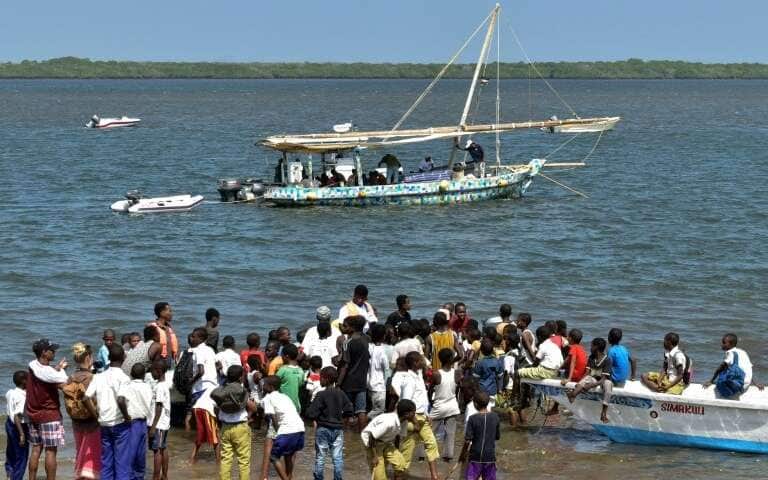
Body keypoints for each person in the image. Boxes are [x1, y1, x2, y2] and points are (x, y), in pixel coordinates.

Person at [84, 344, 132, 480]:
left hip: (104, 423)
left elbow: (85, 398)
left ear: (109, 358)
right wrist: (127, 417)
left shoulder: (99, 376)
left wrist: (96, 416)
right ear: (123, 358)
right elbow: (121, 400)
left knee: (106, 461)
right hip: (119, 423)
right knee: (122, 462)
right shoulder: (124, 378)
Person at [390, 351, 440, 480]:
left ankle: (434, 476)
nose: (423, 361)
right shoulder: (409, 380)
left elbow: (422, 398)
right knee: (407, 450)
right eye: (420, 360)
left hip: (421, 416)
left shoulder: (418, 376)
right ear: (415, 363)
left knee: (431, 444)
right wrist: (414, 421)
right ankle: (398, 476)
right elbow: (406, 403)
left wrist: (427, 414)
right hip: (412, 418)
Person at [26, 338, 68, 480]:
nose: (54, 352)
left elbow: (47, 374)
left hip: (33, 414)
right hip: (49, 415)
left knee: (36, 449)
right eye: (51, 350)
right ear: (44, 352)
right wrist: (62, 370)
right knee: (50, 452)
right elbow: (63, 383)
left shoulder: (33, 366)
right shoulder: (48, 373)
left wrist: (57, 368)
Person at [305, 366, 353, 480]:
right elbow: (349, 410)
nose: (320, 381)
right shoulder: (341, 393)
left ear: (326, 379)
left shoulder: (321, 394)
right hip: (338, 429)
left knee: (321, 456)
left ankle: (319, 478)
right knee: (337, 458)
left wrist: (315, 416)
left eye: (321, 378)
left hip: (323, 429)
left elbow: (310, 413)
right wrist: (341, 420)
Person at [211, 365, 253, 480]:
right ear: (240, 377)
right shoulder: (241, 390)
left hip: (225, 427)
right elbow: (252, 407)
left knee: (226, 459)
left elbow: (215, 408)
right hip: (240, 427)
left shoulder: (221, 390)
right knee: (243, 460)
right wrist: (250, 415)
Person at [65, 343, 100, 480]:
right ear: (88, 358)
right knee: (92, 454)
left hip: (76, 421)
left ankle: (79, 475)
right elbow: (93, 400)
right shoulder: (91, 378)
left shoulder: (71, 377)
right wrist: (97, 418)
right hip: (92, 422)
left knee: (80, 451)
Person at [262, 375, 305, 480]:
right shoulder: (285, 396)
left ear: (271, 387)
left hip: (286, 430)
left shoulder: (268, 398)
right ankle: (289, 477)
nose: (263, 386)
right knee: (289, 455)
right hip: (300, 429)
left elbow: (272, 417)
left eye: (265, 384)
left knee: (273, 457)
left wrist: (278, 433)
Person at [361, 399, 416, 480]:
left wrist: (396, 452)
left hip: (386, 442)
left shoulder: (404, 422)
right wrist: (375, 456)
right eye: (413, 412)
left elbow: (397, 436)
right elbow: (372, 436)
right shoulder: (389, 422)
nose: (415, 415)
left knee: (401, 464)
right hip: (372, 444)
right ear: (406, 414)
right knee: (379, 477)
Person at [117, 363, 153, 480]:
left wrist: (126, 416)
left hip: (132, 423)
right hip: (144, 423)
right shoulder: (148, 387)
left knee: (129, 454)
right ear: (144, 375)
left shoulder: (129, 386)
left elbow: (120, 400)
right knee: (140, 455)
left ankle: (129, 477)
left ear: (131, 374)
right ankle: (139, 477)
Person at [567, 337, 613, 423]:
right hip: (594, 379)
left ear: (596, 347)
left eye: (591, 346)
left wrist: (590, 385)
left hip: (604, 380)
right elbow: (587, 373)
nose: (590, 348)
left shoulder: (607, 360)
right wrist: (580, 383)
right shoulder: (591, 358)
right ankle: (573, 394)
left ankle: (603, 413)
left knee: (608, 386)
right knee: (587, 378)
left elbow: (603, 379)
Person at [337, 315, 371, 431]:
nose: (343, 327)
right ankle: (362, 435)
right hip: (362, 381)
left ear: (352, 328)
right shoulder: (366, 340)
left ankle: (343, 434)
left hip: (348, 381)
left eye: (345, 326)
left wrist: (338, 383)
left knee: (345, 411)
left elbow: (345, 365)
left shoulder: (347, 343)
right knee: (361, 411)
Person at [703, 333, 764, 397]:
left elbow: (720, 368)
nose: (722, 345)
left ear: (731, 344)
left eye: (724, 343)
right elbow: (747, 369)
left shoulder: (730, 353)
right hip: (746, 385)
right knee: (731, 368)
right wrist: (756, 384)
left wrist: (711, 381)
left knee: (723, 372)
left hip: (736, 386)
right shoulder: (743, 352)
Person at [459, 391, 501, 480]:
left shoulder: (472, 419)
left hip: (475, 457)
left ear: (475, 404)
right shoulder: (495, 417)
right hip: (490, 456)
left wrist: (463, 454)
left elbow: (467, 440)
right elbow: (497, 437)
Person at [430, 349, 461, 462]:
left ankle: (424, 455)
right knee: (450, 433)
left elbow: (430, 390)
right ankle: (448, 456)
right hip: (452, 406)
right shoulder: (457, 373)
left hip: (439, 407)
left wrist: (431, 402)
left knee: (429, 432)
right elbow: (457, 389)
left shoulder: (436, 374)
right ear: (451, 359)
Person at [549, 328, 588, 416]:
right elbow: (567, 360)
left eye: (568, 337)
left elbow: (572, 362)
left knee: (559, 385)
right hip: (581, 376)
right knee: (562, 374)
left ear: (571, 338)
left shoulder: (573, 348)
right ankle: (562, 407)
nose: (566, 338)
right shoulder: (581, 348)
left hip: (574, 376)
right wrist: (559, 368)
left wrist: (568, 378)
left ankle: (565, 407)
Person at [147, 359, 170, 480]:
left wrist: (153, 426)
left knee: (157, 451)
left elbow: (159, 407)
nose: (151, 374)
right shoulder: (163, 385)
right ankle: (164, 476)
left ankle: (156, 476)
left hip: (158, 424)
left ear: (159, 371)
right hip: (163, 423)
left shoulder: (160, 387)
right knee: (163, 448)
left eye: (152, 371)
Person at [5, 370, 28, 480]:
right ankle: (17, 478)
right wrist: (22, 434)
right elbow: (17, 416)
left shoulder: (10, 392)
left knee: (11, 452)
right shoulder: (22, 397)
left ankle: (9, 473)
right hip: (19, 426)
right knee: (21, 456)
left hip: (9, 424)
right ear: (24, 381)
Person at [472, 339, 504, 407]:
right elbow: (500, 378)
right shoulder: (498, 362)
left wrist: (475, 391)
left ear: (481, 351)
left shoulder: (479, 363)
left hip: (482, 392)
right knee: (492, 408)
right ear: (492, 350)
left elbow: (475, 380)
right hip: (493, 391)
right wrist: (500, 390)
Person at [367, 324, 390, 419]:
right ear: (384, 336)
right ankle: (361, 420)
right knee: (379, 410)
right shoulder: (382, 350)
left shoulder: (369, 347)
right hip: (379, 386)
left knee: (371, 408)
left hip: (368, 384)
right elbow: (386, 367)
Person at [148, 302, 179, 368]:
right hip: (157, 365)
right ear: (162, 313)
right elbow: (148, 347)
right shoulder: (153, 327)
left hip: (169, 363)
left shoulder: (169, 328)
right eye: (169, 311)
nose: (171, 314)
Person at [277, 344, 305, 411]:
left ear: (286, 356)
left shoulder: (283, 370)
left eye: (282, 355)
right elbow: (300, 385)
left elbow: (274, 382)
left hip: (283, 405)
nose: (281, 357)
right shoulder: (301, 371)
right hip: (296, 405)